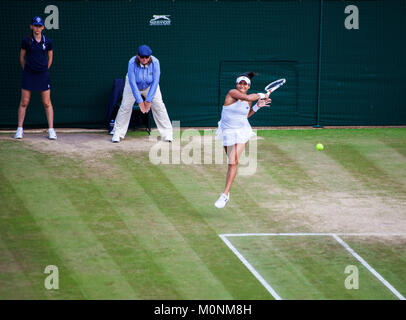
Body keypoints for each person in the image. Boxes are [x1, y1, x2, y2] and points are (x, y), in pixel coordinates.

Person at [214, 72, 271, 208]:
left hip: (242, 130)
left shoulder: (249, 99)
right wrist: (262, 95)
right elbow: (246, 97)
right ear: (236, 85)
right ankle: (227, 194)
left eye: (245, 84)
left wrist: (257, 106)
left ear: (249, 86)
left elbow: (245, 115)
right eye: (240, 83)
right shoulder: (232, 92)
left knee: (233, 161)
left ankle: (225, 194)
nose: (242, 85)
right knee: (230, 162)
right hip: (227, 131)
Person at [111, 45, 173, 143]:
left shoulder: (156, 62)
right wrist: (140, 102)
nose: (144, 59)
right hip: (133, 85)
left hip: (150, 86)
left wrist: (148, 101)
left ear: (150, 57)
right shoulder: (131, 62)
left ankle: (167, 134)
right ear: (138, 56)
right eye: (142, 57)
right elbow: (132, 82)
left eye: (147, 57)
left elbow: (155, 82)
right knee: (125, 106)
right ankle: (117, 133)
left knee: (159, 106)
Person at [14, 16, 57, 140]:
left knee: (46, 102)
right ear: (31, 26)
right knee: (24, 102)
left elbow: (50, 57)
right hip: (29, 74)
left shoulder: (47, 41)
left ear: (42, 27)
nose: (37, 28)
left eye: (39, 26)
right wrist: (27, 70)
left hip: (43, 74)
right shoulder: (26, 41)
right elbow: (22, 58)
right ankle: (19, 129)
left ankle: (51, 130)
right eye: (35, 26)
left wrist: (44, 69)